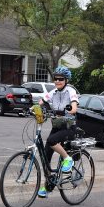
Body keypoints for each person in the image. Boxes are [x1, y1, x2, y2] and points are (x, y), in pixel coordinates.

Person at [37, 66, 79, 198]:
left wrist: (69, 110)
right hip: (56, 126)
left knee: (51, 141)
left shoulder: (70, 91)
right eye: (55, 79)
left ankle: (68, 159)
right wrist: (35, 108)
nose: (57, 81)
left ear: (66, 80)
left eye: (60, 79)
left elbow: (74, 107)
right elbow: (41, 102)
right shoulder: (53, 91)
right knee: (45, 156)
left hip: (68, 126)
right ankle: (48, 185)